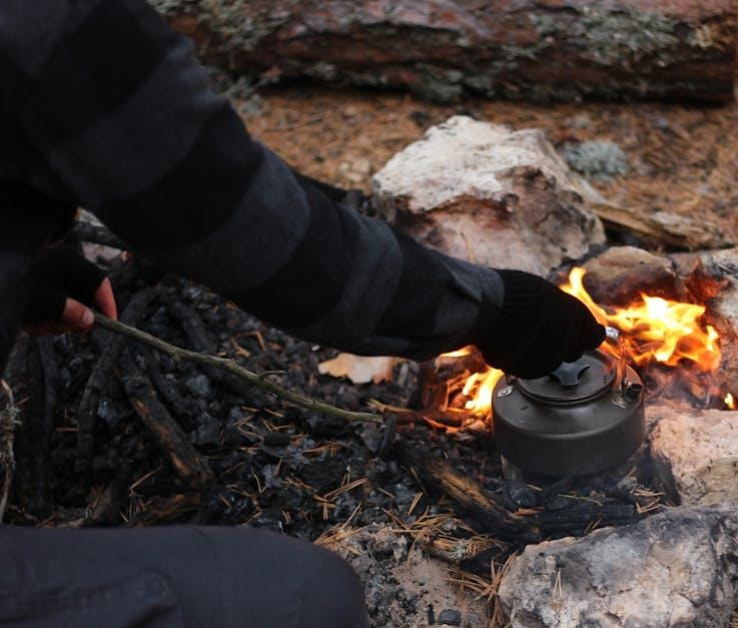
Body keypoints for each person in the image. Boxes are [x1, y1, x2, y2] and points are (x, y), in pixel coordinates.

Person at [0, 1, 605, 626]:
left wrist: (24, 256)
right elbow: (276, 246)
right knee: (303, 599)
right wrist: (502, 312)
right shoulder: (53, 24)